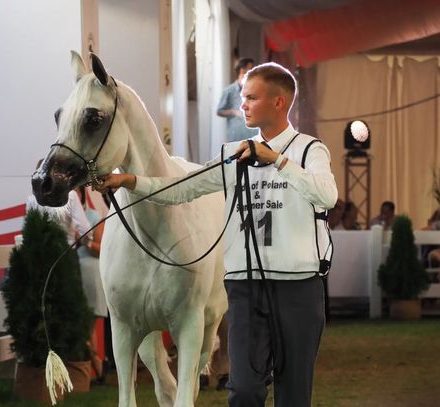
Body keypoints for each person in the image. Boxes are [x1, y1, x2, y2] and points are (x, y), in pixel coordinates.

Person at [97, 62, 337, 407]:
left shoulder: (309, 150)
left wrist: (277, 160)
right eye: (243, 97)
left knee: (294, 394)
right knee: (243, 391)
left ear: (279, 102)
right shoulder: (232, 154)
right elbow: (182, 188)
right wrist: (132, 182)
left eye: (251, 98)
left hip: (298, 287)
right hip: (245, 288)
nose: (243, 105)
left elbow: (326, 195)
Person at [75, 186, 109, 382]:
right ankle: (95, 366)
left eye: (76, 192)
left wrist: (85, 242)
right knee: (82, 324)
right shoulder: (64, 216)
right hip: (72, 269)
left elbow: (100, 248)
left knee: (88, 324)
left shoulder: (94, 216)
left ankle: (96, 365)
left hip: (89, 273)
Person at [217, 57, 258, 142]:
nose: (254, 72)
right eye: (251, 69)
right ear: (242, 70)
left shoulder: (255, 90)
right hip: (236, 137)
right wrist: (233, 112)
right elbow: (219, 111)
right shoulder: (229, 90)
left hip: (253, 136)